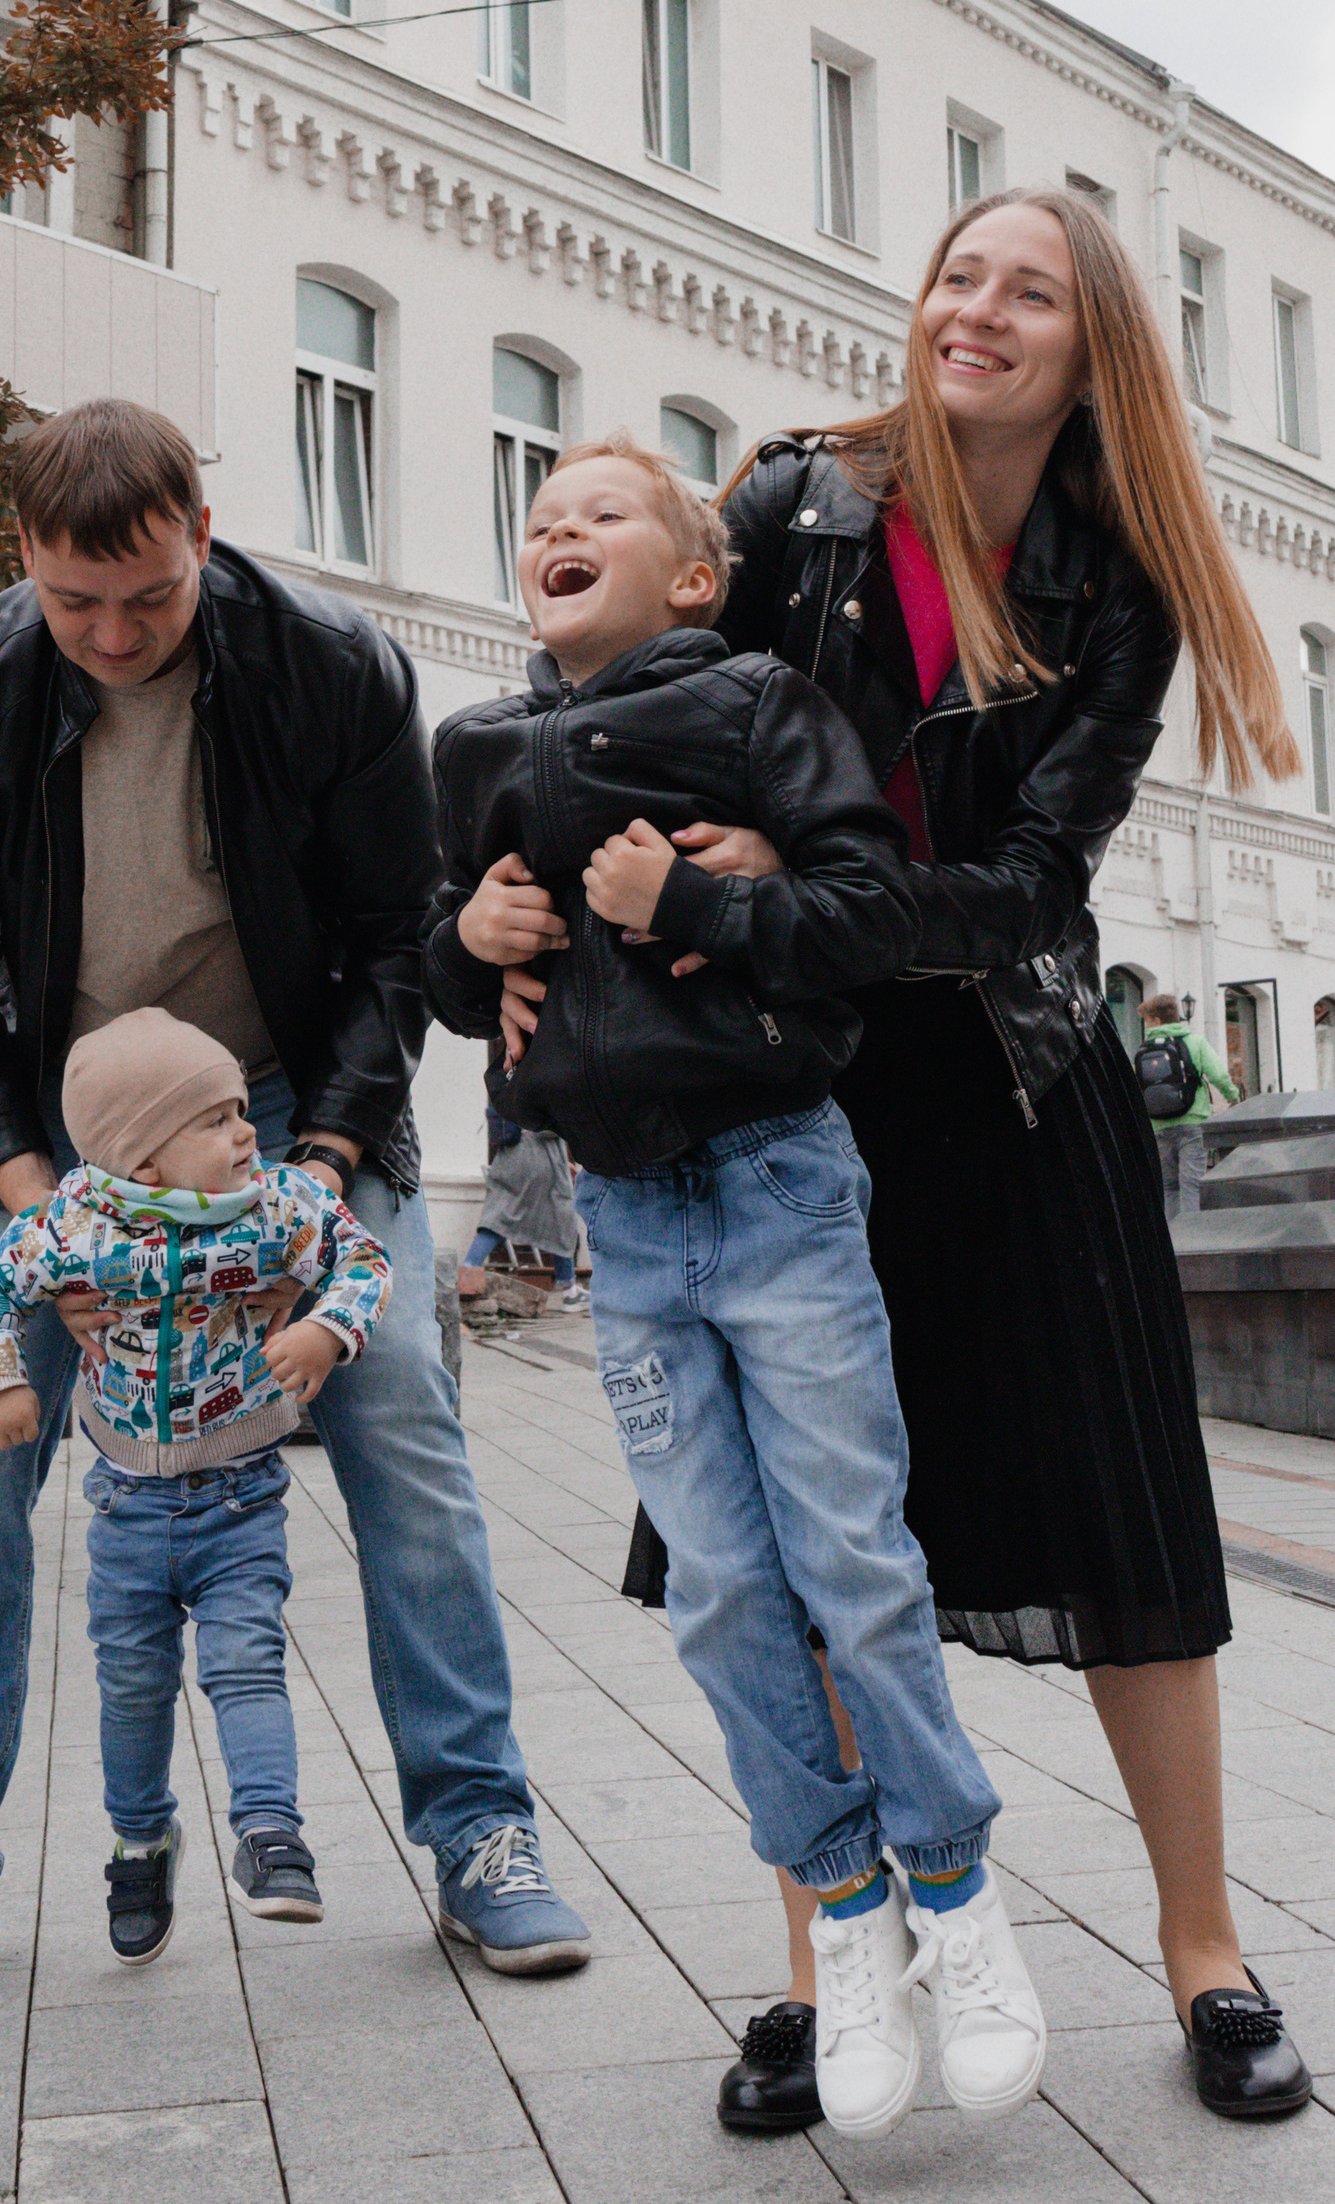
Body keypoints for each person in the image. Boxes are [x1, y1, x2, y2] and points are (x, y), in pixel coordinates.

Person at [507, 192, 1316, 2124]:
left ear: (1093, 341)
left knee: (1128, 1533)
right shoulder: (800, 506)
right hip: (787, 1098)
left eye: (1027, 292)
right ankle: (828, 1959)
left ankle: (1202, 1946)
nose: (976, 311)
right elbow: (616, 702)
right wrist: (522, 913)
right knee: (793, 1552)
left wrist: (787, 898)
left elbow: (1035, 894)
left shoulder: (1123, 581)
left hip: (1017, 1088)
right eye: (958, 274)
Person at [0, 398, 590, 2015]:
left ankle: (483, 1830)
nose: (112, 635)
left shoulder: (327, 666)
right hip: (57, 1123)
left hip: (279, 1108)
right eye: (72, 602)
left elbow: (401, 941)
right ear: (24, 565)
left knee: (398, 1411)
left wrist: (320, 1166)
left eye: (150, 597)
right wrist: (48, 1214)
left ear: (200, 530)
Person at [429, 430, 1047, 2142]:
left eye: (603, 513)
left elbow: (866, 902)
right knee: (718, 1582)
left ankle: (956, 1884)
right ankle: (846, 1909)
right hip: (631, 1224)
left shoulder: (763, 703)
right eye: (541, 519)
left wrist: (689, 888)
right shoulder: (477, 745)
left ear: (693, 575)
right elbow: (433, 963)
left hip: (776, 1183)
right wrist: (471, 943)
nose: (560, 527)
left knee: (850, 1547)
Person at [0, 1011, 390, 1965]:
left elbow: (363, 1259)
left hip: (241, 1498)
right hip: (127, 1509)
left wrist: (328, 1329)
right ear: (143, 1161)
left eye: (244, 1111)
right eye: (216, 1120)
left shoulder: (277, 1206)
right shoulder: (72, 1225)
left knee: (246, 1663)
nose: (247, 1133)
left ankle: (273, 1834)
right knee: (134, 1687)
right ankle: (141, 1840)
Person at [459, 1076, 587, 1312]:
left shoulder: (509, 1070)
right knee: (561, 1218)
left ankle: (468, 1272)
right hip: (540, 1156)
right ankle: (569, 1291)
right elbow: (549, 1124)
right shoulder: (546, 1069)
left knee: (499, 1214)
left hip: (509, 1156)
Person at [1138, 992, 1240, 1217]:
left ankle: (1173, 1244)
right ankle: (1192, 1241)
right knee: (1192, 1185)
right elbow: (1219, 1076)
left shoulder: (1144, 1050)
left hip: (1159, 1126)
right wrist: (1234, 1097)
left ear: (1156, 1020)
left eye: (1146, 1020)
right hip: (1193, 1123)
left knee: (1169, 1187)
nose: (1145, 1025)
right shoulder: (1195, 1042)